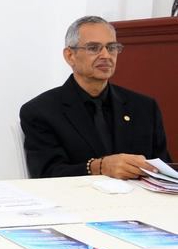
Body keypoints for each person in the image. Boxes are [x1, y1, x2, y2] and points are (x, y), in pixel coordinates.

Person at [19, 15, 172, 179]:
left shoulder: (144, 107)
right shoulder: (41, 111)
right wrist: (99, 167)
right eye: (93, 48)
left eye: (111, 47)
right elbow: (46, 174)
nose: (106, 55)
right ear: (70, 56)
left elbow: (164, 169)